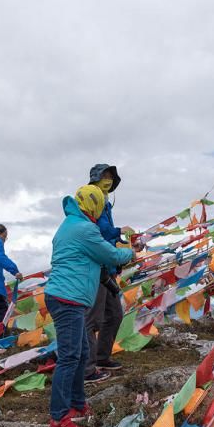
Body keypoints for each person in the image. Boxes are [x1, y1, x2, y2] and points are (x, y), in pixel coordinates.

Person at [44, 185, 137, 427]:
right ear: (94, 206)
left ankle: (77, 404)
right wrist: (131, 252)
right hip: (68, 298)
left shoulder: (70, 224)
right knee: (69, 357)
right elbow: (110, 254)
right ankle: (59, 418)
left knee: (81, 352)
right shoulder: (85, 229)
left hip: (68, 297)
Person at [84, 164, 133, 383]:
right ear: (95, 178)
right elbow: (100, 231)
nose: (108, 180)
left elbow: (106, 236)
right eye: (104, 176)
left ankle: (102, 357)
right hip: (98, 266)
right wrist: (118, 231)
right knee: (92, 319)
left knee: (114, 315)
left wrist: (120, 243)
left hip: (109, 267)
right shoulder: (93, 200)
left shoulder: (106, 202)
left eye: (111, 177)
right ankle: (87, 368)